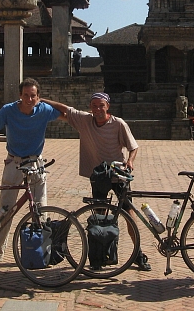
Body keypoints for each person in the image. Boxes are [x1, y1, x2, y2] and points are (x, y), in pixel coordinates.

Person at [41, 91, 151, 271]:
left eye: (101, 105)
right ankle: (99, 255)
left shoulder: (118, 124)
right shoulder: (85, 120)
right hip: (99, 175)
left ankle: (138, 253)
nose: (98, 109)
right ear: (90, 107)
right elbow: (64, 110)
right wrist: (39, 99)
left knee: (128, 213)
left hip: (118, 174)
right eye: (94, 106)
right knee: (99, 216)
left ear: (108, 106)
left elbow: (133, 147)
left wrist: (130, 161)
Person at [0, 77, 63, 266]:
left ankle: (41, 253)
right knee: (5, 210)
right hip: (13, 163)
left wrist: (46, 101)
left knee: (40, 210)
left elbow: (66, 113)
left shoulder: (44, 110)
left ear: (38, 97)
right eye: (26, 95)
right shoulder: (8, 110)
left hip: (35, 165)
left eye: (33, 96)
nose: (29, 99)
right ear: (20, 95)